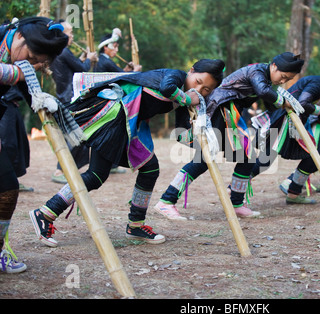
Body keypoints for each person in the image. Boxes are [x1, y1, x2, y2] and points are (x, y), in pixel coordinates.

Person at [29, 59, 225, 247]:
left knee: (149, 169)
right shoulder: (174, 76)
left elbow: (181, 134)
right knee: (96, 175)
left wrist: (203, 140)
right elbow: (167, 88)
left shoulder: (186, 97)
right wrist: (187, 98)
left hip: (130, 125)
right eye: (198, 82)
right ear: (191, 71)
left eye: (206, 90)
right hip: (114, 115)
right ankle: (45, 213)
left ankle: (135, 225)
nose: (198, 90)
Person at [154, 52, 303, 219]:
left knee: (247, 158)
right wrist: (282, 101)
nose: (283, 81)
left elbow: (270, 102)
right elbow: (263, 91)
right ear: (274, 66)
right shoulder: (257, 72)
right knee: (203, 160)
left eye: (286, 79)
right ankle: (167, 201)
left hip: (231, 114)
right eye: (282, 76)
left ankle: (236, 203)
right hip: (218, 110)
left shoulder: (267, 80)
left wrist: (283, 105)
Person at [0, 16, 68, 273]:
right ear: (19, 36)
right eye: (29, 57)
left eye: (37, 63)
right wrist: (22, 70)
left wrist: (60, 119)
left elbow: (32, 94)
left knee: (7, 186)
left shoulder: (20, 59)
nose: (29, 65)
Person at [250, 75, 320, 204]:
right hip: (283, 120)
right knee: (266, 160)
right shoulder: (318, 82)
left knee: (312, 159)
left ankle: (293, 194)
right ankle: (234, 189)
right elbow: (303, 104)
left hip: (297, 124)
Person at [50, 19, 98, 184]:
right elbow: (83, 69)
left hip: (64, 97)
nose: (71, 36)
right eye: (69, 33)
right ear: (61, 34)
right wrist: (89, 59)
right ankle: (59, 170)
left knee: (79, 135)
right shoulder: (63, 51)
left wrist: (83, 58)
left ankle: (67, 169)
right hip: (70, 98)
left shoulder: (59, 52)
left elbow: (73, 66)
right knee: (74, 135)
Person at [94, 28, 142, 174]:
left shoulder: (106, 61)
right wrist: (135, 72)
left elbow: (118, 74)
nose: (116, 49)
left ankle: (113, 164)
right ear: (105, 47)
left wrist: (126, 70)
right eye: (113, 46)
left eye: (117, 46)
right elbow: (122, 78)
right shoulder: (104, 61)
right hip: (104, 103)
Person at [0, 87, 33, 192]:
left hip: (9, 100)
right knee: (8, 144)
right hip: (5, 100)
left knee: (17, 143)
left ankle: (10, 180)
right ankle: (5, 181)